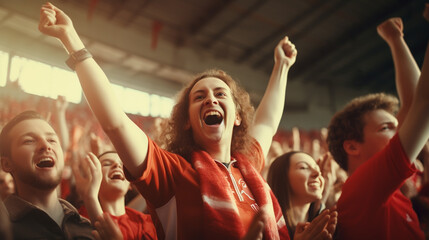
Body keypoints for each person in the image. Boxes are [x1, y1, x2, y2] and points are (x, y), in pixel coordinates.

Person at [38, 2, 337, 240]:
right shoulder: (171, 173)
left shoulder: (248, 164)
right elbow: (115, 121)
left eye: (221, 94)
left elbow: (269, 121)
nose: (211, 99)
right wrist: (72, 41)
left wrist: (282, 67)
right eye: (199, 97)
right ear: (186, 122)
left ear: (237, 118)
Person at [325, 13, 429, 239]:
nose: (398, 129)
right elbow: (423, 104)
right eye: (386, 128)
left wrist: (395, 39)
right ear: (352, 147)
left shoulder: (384, 189)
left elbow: (414, 103)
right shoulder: (362, 189)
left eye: (395, 125)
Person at [0, 110, 95, 239]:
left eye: (52, 140)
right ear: (6, 164)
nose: (46, 146)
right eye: (29, 141)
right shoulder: (5, 228)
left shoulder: (89, 227)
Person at [73, 151, 158, 240]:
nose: (117, 165)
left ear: (130, 184)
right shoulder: (79, 218)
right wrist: (90, 197)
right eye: (107, 164)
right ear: (94, 178)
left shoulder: (145, 223)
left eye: (123, 165)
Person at [267, 151, 334, 239]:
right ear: (282, 178)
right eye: (303, 167)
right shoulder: (268, 229)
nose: (317, 173)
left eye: (318, 169)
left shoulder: (324, 224)